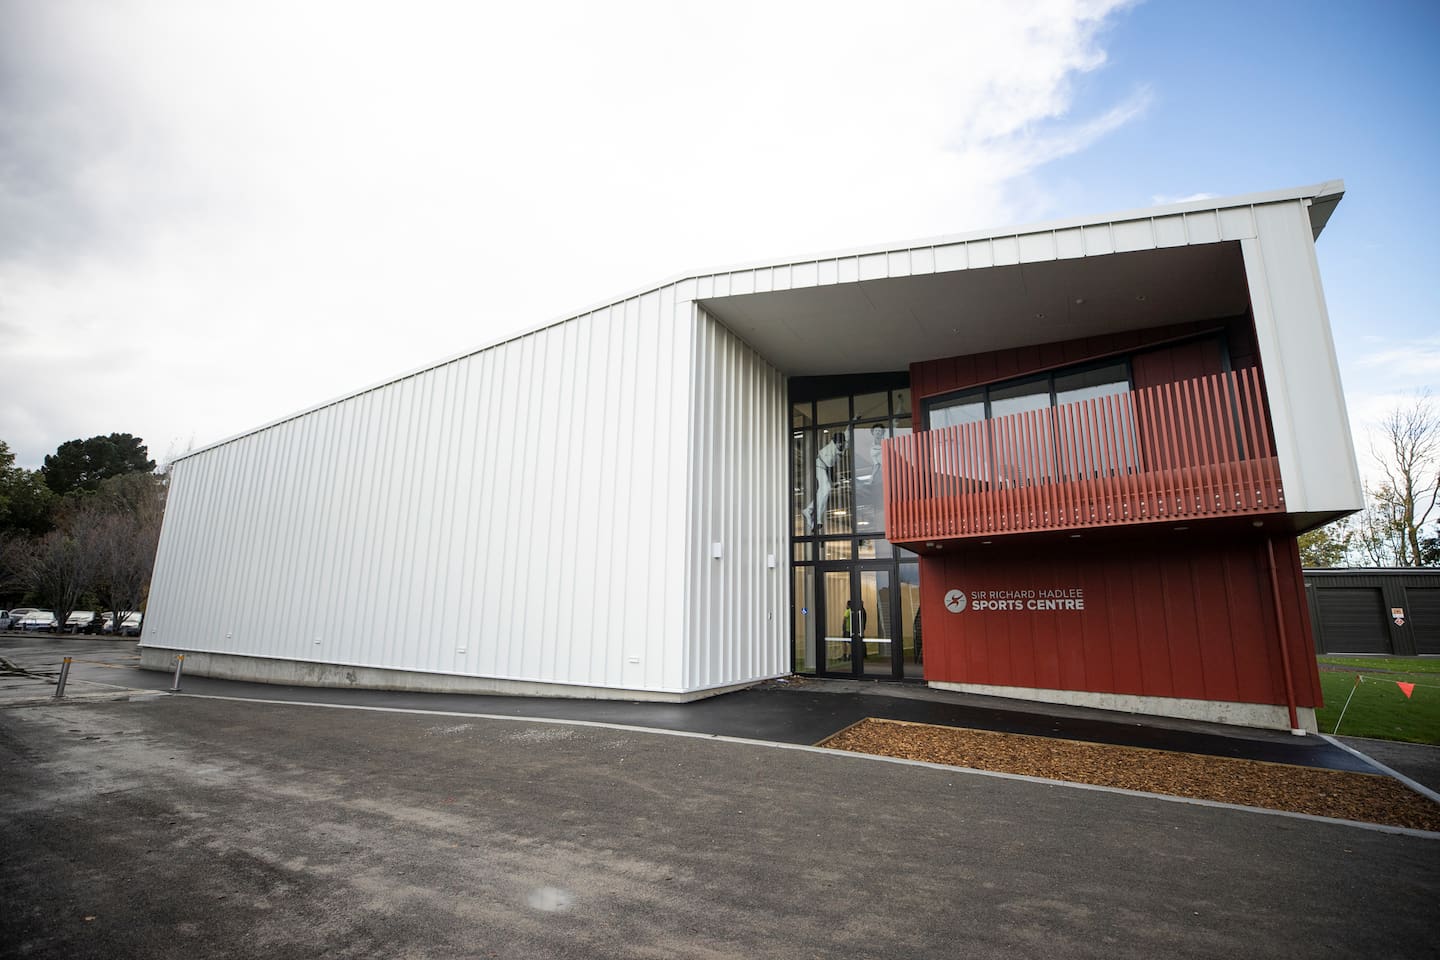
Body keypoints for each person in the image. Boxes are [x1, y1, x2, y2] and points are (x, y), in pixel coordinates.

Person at [801, 431, 846, 534]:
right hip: (820, 467)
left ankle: (809, 512)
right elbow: (830, 468)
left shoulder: (839, 448)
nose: (840, 444)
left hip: (824, 468)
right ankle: (816, 518)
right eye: (838, 442)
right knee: (825, 490)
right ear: (834, 442)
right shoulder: (830, 450)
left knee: (822, 494)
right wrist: (833, 482)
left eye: (841, 442)